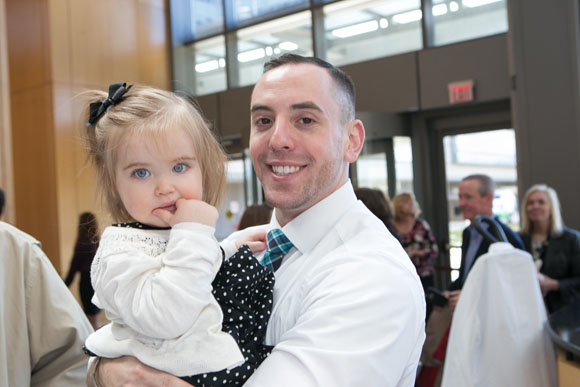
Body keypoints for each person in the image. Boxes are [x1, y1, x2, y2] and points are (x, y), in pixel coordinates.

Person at [93, 55, 426, 386]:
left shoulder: (370, 276)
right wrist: (102, 372)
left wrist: (118, 374)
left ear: (352, 141)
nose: (277, 139)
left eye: (305, 120)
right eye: (264, 121)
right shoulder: (240, 249)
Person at [81, 83, 274, 386]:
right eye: (141, 173)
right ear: (112, 180)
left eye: (180, 166)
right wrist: (194, 232)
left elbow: (184, 271)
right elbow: (167, 313)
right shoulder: (119, 253)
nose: (164, 187)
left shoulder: (172, 235)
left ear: (203, 167)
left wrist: (224, 249)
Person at [0, 220, 93, 386]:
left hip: (87, 283)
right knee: (94, 317)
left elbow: (71, 362)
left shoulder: (15, 249)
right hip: (90, 283)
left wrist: (68, 281)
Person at [445, 174, 524, 308]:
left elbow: (511, 287)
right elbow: (466, 275)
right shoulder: (467, 233)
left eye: (468, 197)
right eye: (460, 197)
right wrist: (449, 292)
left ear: (488, 199)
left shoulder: (506, 238)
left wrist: (471, 298)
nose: (461, 203)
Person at [519, 184, 580, 313]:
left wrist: (554, 285)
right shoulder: (518, 239)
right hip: (526, 309)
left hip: (562, 311)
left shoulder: (571, 239)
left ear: (551, 207)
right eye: (531, 203)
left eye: (541, 202)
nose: (535, 206)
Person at [392, 192, 438, 292]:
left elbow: (433, 249)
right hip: (400, 275)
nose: (412, 205)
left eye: (412, 202)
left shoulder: (421, 225)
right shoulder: (391, 226)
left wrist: (415, 253)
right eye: (407, 202)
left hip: (423, 274)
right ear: (399, 205)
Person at [64, 212, 102, 329]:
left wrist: (64, 285)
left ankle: (95, 345)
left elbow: (74, 266)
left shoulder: (82, 243)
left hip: (86, 282)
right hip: (98, 282)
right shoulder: (99, 243)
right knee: (96, 317)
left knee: (90, 319)